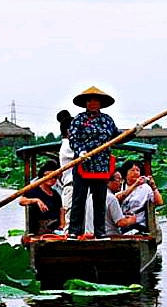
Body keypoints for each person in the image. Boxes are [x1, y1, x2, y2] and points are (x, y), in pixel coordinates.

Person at [68, 86, 122, 239]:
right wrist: (80, 152)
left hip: (101, 165)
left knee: (100, 200)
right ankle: (74, 231)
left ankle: (100, 232)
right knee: (79, 199)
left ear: (100, 103)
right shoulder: (78, 119)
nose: (92, 103)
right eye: (89, 100)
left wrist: (133, 132)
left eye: (95, 100)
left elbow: (117, 137)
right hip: (83, 162)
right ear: (85, 103)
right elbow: (73, 139)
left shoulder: (107, 120)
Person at [114, 159, 164, 233]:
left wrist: (153, 187)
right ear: (126, 173)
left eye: (137, 170)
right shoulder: (121, 185)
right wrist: (135, 185)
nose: (135, 173)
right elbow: (117, 198)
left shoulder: (145, 188)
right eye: (132, 170)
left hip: (138, 223)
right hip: (121, 222)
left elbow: (159, 202)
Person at [19, 160, 65, 235]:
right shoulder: (34, 191)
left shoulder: (55, 194)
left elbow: (61, 210)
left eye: (54, 177)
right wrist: (36, 200)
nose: (51, 179)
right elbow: (21, 201)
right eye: (48, 176)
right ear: (42, 177)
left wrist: (62, 225)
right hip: (41, 226)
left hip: (55, 227)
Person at [56, 110, 75, 231]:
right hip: (71, 186)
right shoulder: (68, 146)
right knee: (70, 217)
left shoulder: (71, 144)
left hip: (77, 186)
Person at [104, 171, 139, 236]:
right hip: (110, 235)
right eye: (118, 180)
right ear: (108, 181)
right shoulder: (111, 198)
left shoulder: (92, 196)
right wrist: (132, 220)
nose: (121, 183)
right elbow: (121, 223)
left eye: (121, 180)